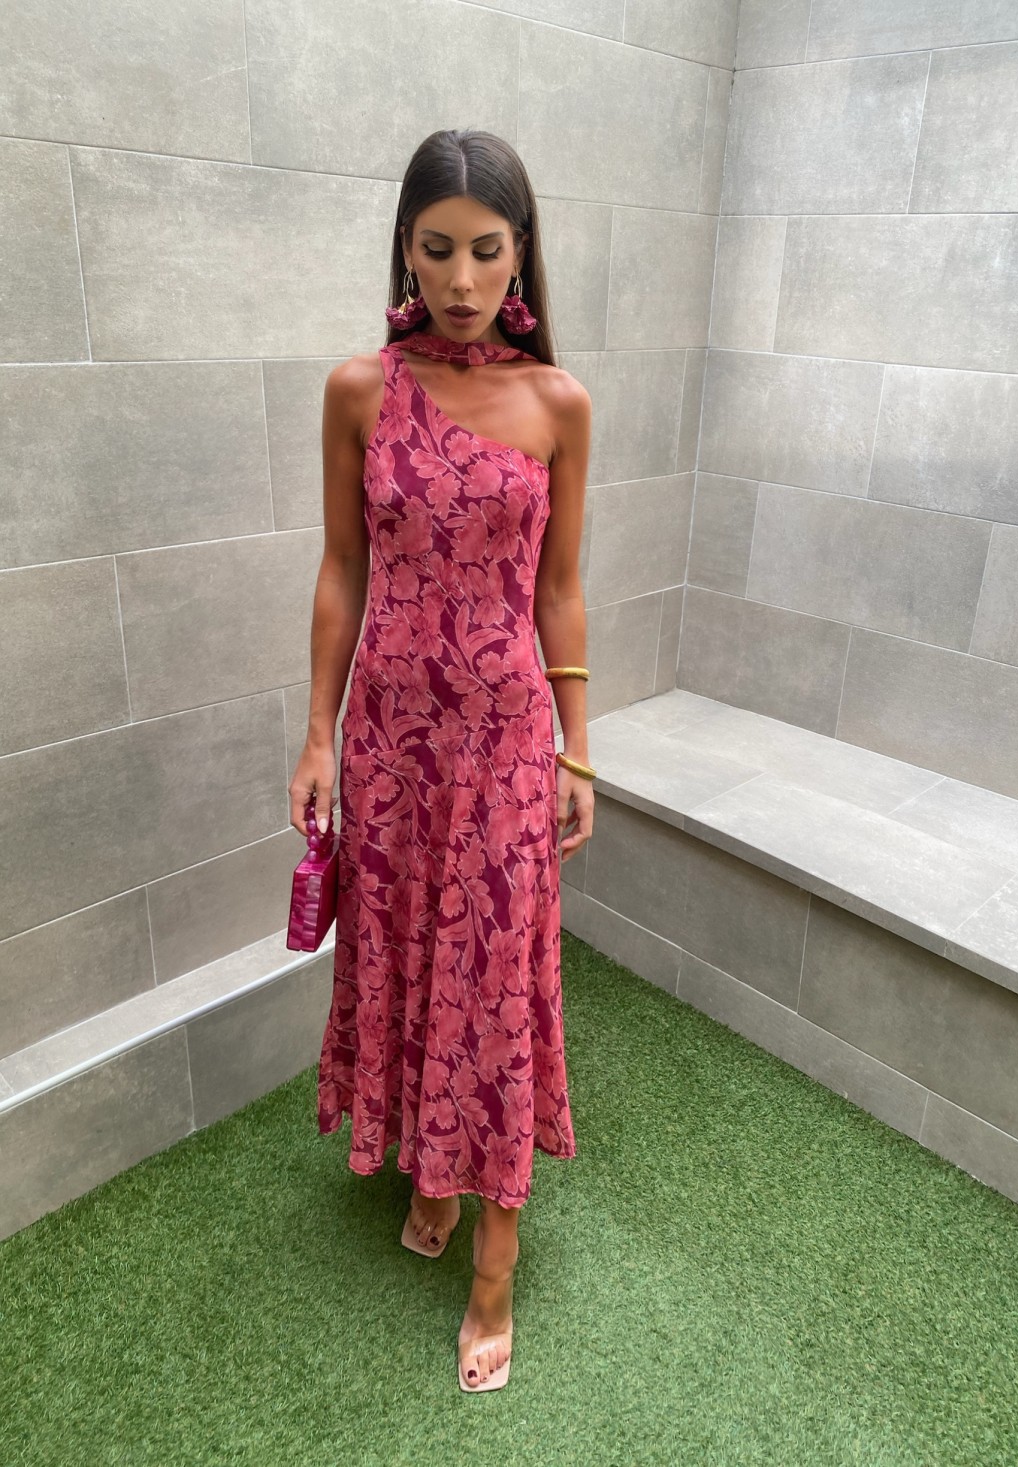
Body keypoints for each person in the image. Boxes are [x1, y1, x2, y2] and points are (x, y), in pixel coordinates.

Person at [288, 128, 595, 1394]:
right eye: (436, 249)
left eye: (485, 249)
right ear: (404, 252)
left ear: (519, 255)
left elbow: (560, 589)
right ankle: (428, 1171)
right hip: (390, 746)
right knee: (409, 950)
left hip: (508, 746)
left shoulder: (557, 403)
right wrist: (316, 731)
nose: (461, 279)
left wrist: (581, 751)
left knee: (496, 979)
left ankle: (494, 1269)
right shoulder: (357, 391)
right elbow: (341, 569)